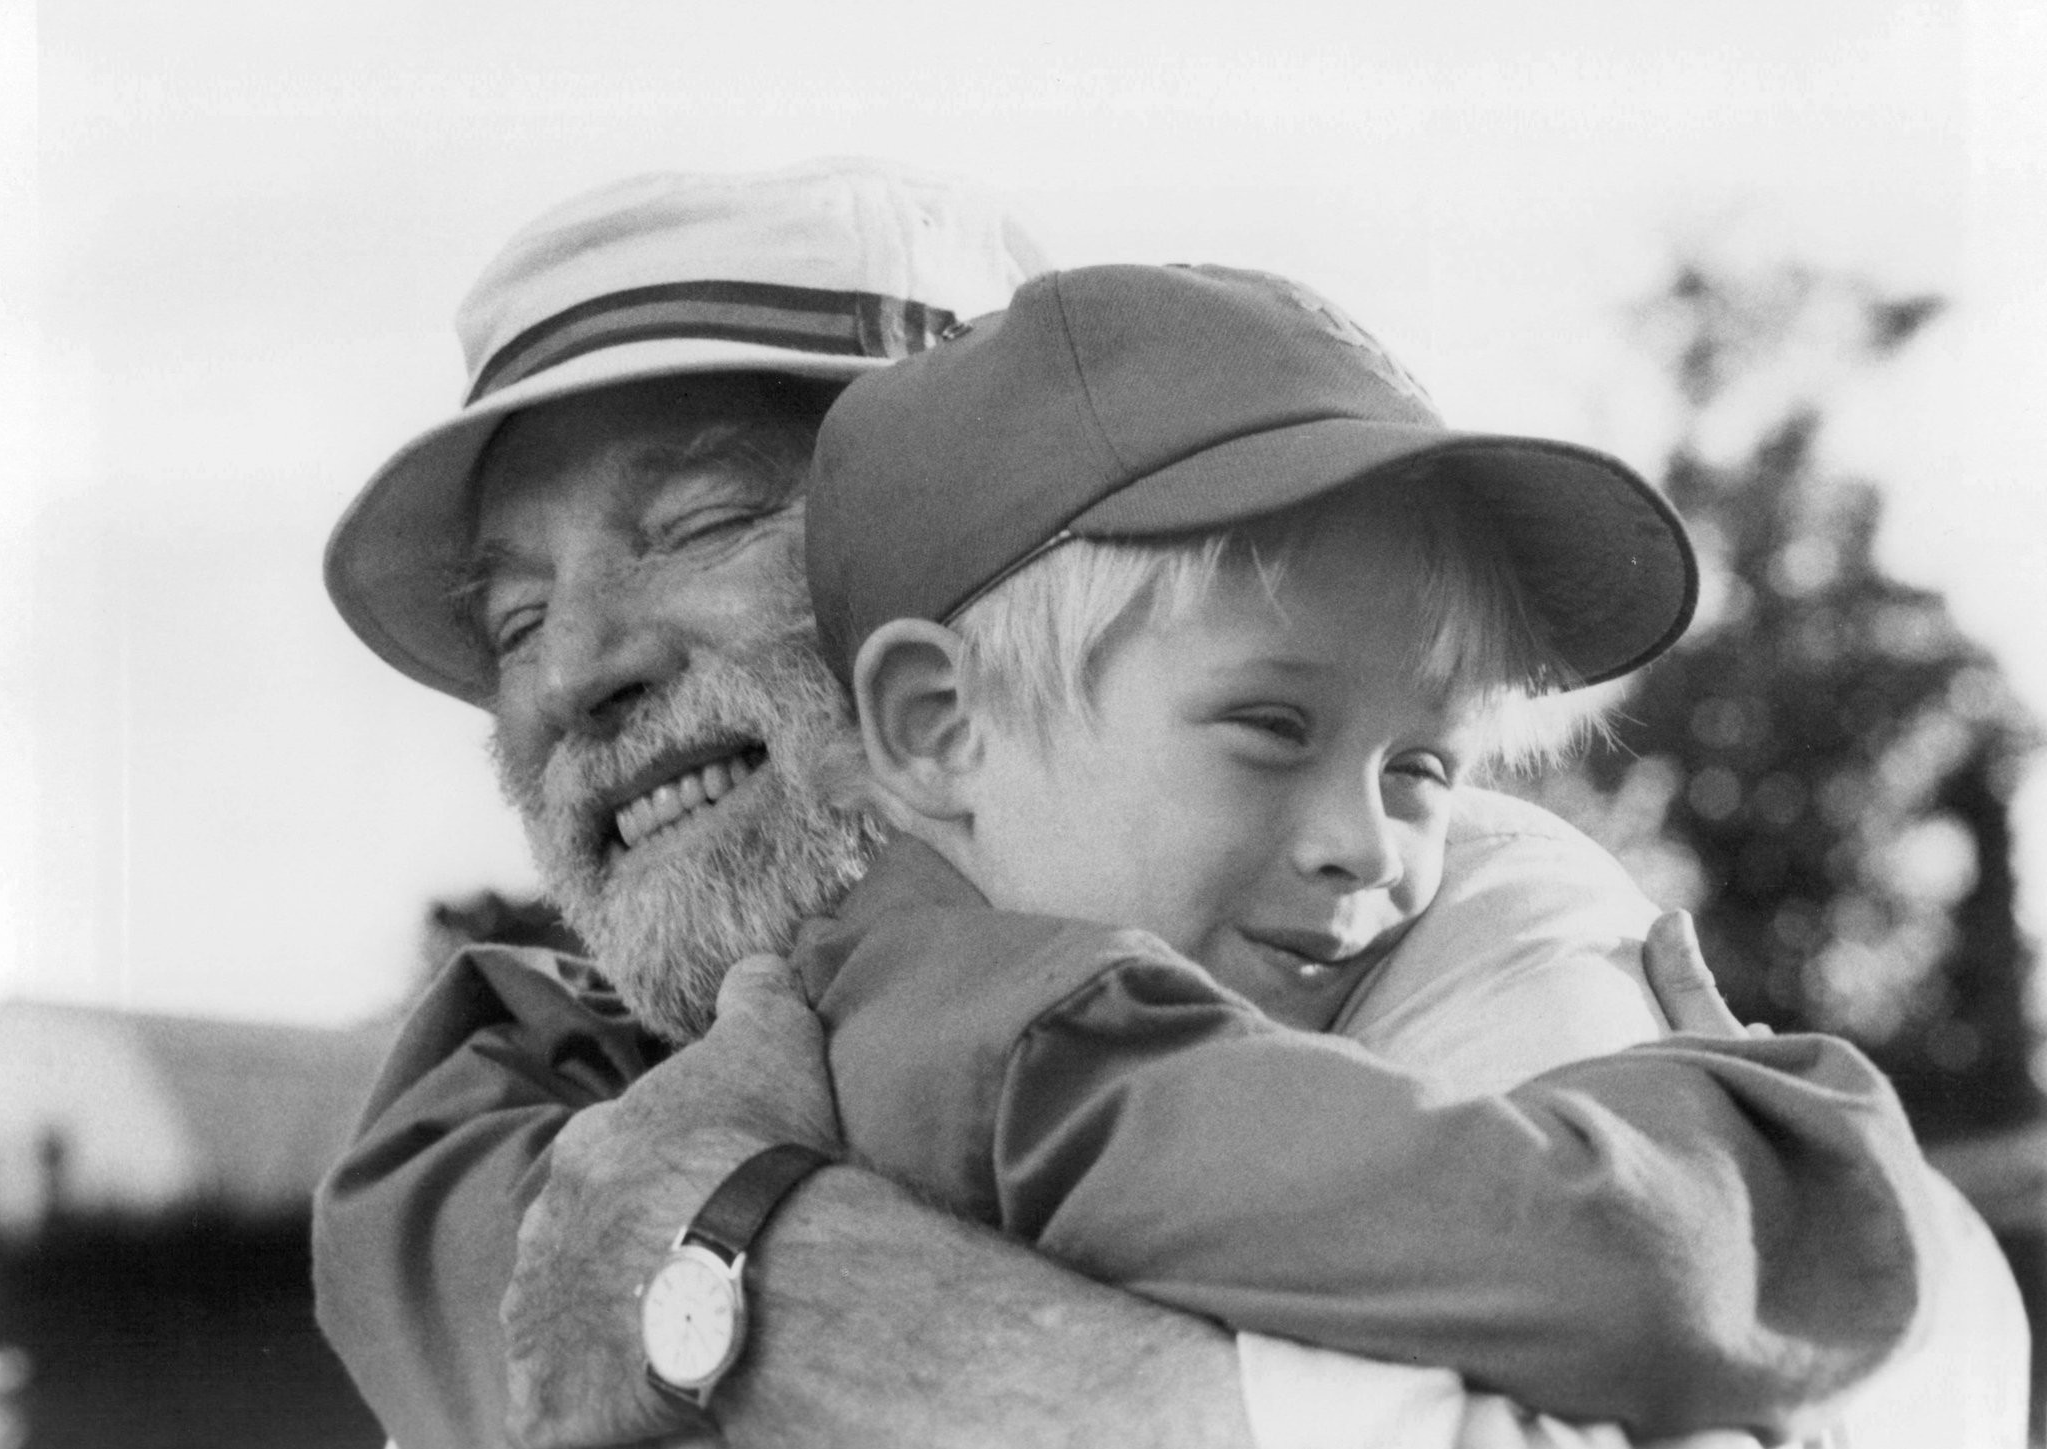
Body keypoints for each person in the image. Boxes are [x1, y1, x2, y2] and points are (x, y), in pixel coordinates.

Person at [313, 160, 2031, 1449]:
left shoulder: (1438, 907)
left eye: (692, 521)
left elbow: (1866, 1383)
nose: (573, 672)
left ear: (945, 599)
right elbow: (1674, 1267)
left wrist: (738, 1283)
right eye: (511, 617)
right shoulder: (494, 1097)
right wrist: (1786, 1161)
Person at [760, 259, 1932, 1438]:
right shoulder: (1029, 1049)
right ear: (938, 725)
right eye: (1269, 728)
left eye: (1420, 767)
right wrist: (1783, 1139)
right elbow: (1619, 1270)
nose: (1365, 846)